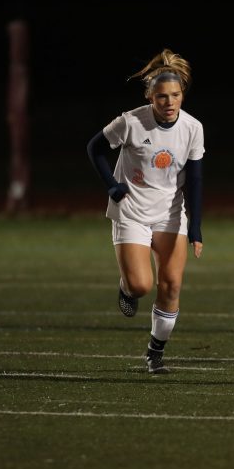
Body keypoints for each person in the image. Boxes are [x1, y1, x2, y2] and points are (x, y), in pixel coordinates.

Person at [86, 48, 204, 375]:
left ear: (182, 95)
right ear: (150, 96)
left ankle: (155, 352)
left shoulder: (193, 128)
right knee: (140, 285)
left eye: (175, 95)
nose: (169, 102)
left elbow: (195, 179)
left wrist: (195, 227)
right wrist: (112, 185)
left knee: (172, 284)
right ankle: (127, 287)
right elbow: (95, 149)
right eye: (162, 96)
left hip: (170, 213)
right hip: (131, 211)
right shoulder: (131, 122)